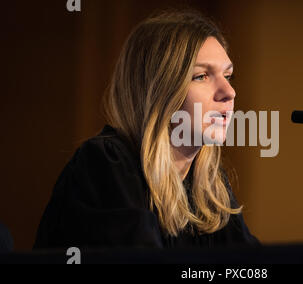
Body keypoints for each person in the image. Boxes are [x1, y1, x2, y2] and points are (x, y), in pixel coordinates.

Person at [34, 11, 260, 249]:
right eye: (202, 76)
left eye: (228, 75)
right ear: (158, 91)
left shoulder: (209, 185)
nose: (229, 92)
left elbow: (249, 266)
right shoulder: (106, 163)